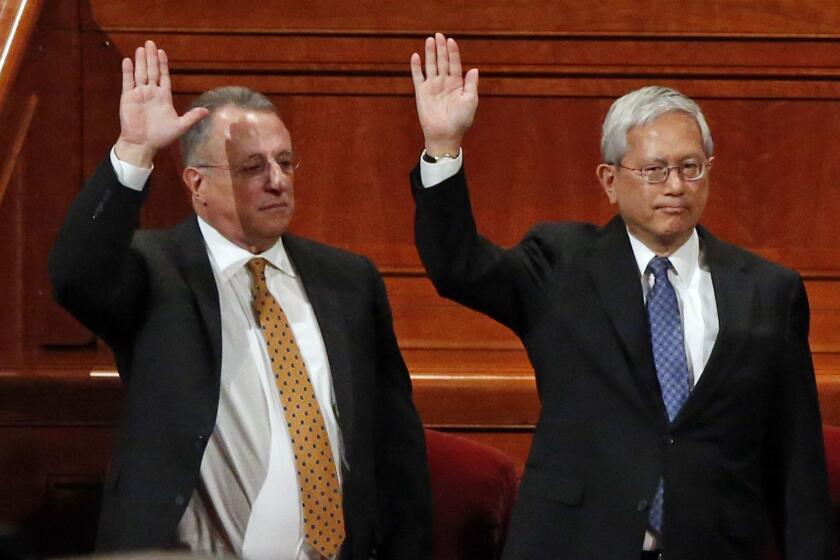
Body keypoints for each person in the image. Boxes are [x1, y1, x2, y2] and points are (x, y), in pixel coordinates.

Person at [409, 33, 832, 559]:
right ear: (610, 181)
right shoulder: (559, 264)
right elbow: (459, 267)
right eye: (654, 170)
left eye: (690, 167)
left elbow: (796, 459)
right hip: (576, 543)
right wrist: (444, 147)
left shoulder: (769, 290)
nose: (675, 185)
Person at [49, 40, 431, 560]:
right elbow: (75, 276)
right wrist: (135, 152)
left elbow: (396, 451)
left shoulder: (349, 280)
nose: (277, 181)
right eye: (253, 167)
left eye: (285, 162)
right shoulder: (154, 272)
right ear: (197, 184)